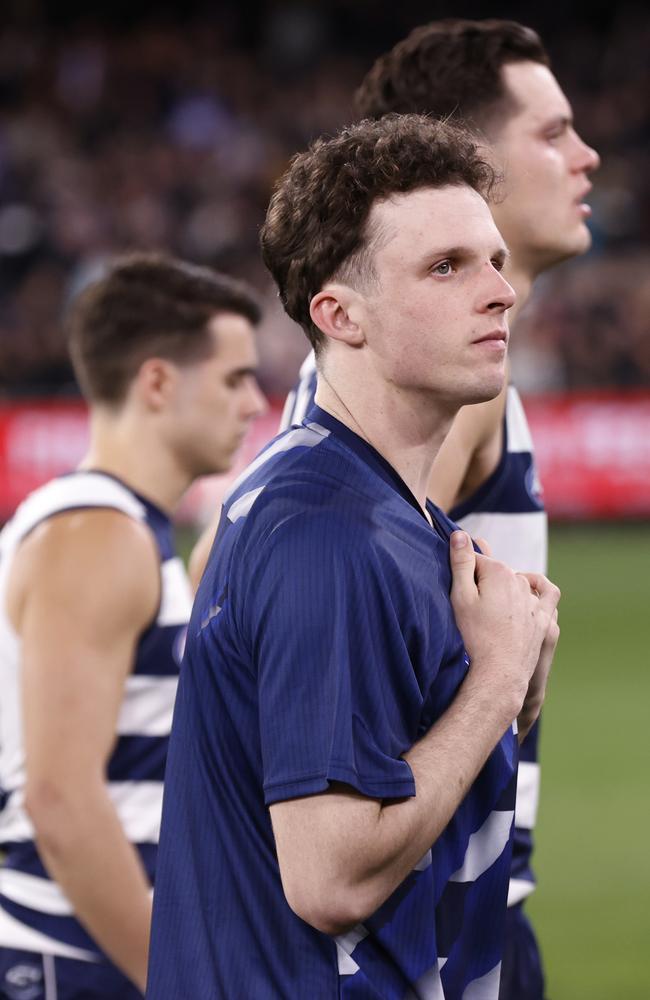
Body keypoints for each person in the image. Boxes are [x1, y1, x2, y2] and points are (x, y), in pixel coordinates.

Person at [146, 114, 560, 999]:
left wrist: (508, 682)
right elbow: (331, 878)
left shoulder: (382, 506)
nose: (500, 291)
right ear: (341, 314)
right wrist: (496, 680)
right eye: (446, 267)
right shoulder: (326, 532)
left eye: (493, 260)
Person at [274, 21, 600, 998]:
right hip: (431, 931)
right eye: (550, 133)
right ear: (469, 162)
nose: (583, 156)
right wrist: (505, 673)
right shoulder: (439, 399)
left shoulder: (371, 377)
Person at [0, 253, 265, 998]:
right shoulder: (98, 537)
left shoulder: (117, 532)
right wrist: (176, 978)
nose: (253, 403)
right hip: (76, 959)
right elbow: (59, 798)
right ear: (156, 382)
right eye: (234, 378)